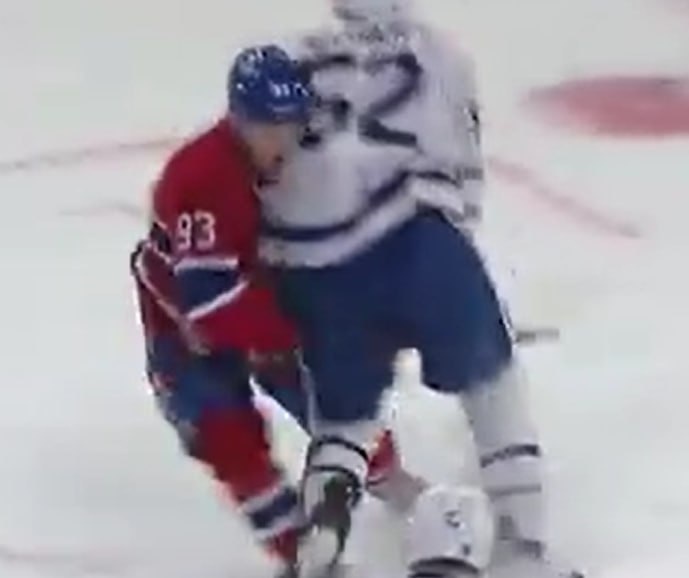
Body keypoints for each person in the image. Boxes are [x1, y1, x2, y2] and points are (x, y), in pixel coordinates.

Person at [258, 2, 584, 577]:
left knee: (343, 418)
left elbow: (256, 165)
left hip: (311, 266)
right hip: (413, 238)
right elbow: (461, 168)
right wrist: (456, 269)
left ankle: (324, 533)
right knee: (491, 379)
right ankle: (522, 546)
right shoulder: (438, 53)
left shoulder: (290, 52)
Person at [129, 44, 420, 575]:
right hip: (186, 322)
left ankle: (400, 491)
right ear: (239, 118)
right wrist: (293, 334)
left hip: (260, 298)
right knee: (228, 439)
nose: (281, 138)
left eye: (290, 124)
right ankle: (304, 557)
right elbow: (209, 304)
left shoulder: (305, 156)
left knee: (337, 402)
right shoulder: (203, 178)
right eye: (268, 126)